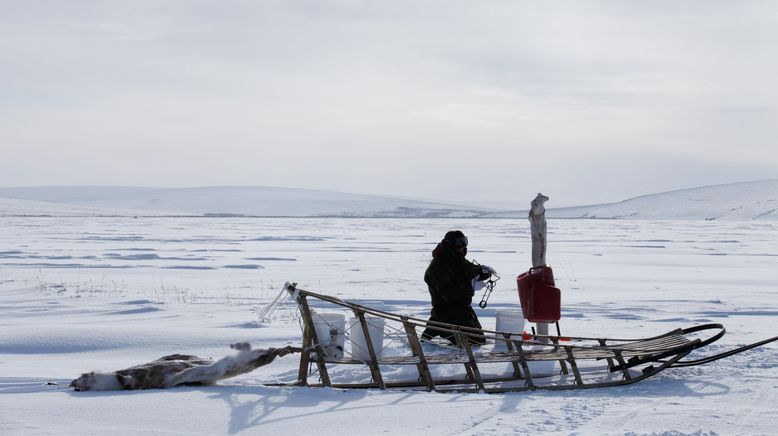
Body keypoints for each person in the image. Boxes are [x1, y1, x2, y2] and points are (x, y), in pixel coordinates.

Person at [421, 230, 496, 346]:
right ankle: (439, 325)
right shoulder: (438, 267)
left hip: (462, 309)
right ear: (450, 244)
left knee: (479, 339)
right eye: (459, 243)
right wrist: (471, 286)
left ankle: (436, 325)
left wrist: (482, 271)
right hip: (447, 311)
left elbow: (470, 270)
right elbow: (448, 295)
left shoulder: (457, 258)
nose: (462, 246)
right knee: (473, 342)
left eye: (464, 242)